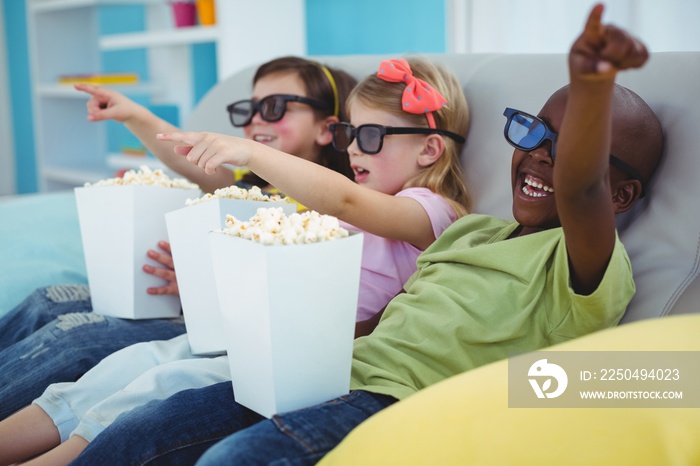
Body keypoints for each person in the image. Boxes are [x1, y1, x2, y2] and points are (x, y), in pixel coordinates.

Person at [56, 4, 663, 465]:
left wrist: (591, 85)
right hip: (327, 371)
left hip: (396, 402)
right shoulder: (473, 233)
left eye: (567, 150)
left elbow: (578, 188)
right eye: (532, 134)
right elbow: (390, 314)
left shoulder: (581, 268)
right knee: (148, 426)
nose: (537, 159)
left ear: (620, 196)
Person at [0, 56, 473, 466]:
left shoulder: (431, 211)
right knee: (127, 366)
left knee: (156, 385)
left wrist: (251, 151)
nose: (352, 149)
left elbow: (344, 203)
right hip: (247, 331)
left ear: (429, 149)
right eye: (351, 133)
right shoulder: (345, 200)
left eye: (369, 135)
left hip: (294, 357)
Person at [0, 57, 357, 420]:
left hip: (209, 329)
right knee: (46, 300)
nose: (255, 120)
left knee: (73, 337)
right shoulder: (247, 187)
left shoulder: (326, 209)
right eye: (249, 108)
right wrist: (134, 115)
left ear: (326, 129)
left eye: (275, 107)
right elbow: (188, 158)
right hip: (176, 305)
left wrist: (195, 286)